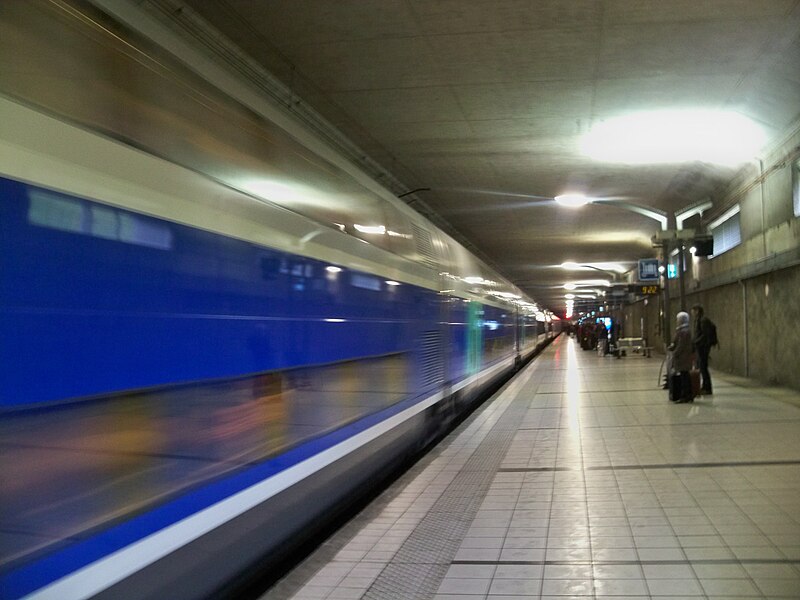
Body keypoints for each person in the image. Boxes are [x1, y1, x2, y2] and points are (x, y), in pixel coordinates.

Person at [670, 311, 694, 403]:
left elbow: (681, 345)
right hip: (684, 356)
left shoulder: (684, 331)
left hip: (683, 357)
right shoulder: (682, 330)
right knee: (685, 375)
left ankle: (685, 395)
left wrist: (675, 352)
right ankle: (688, 395)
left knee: (685, 377)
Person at [691, 304, 713, 395]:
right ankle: (704, 386)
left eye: (693, 311)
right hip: (700, 346)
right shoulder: (698, 320)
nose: (692, 313)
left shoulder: (703, 321)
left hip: (703, 347)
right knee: (701, 367)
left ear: (697, 311)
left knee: (703, 367)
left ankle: (707, 388)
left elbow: (704, 335)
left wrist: (696, 341)